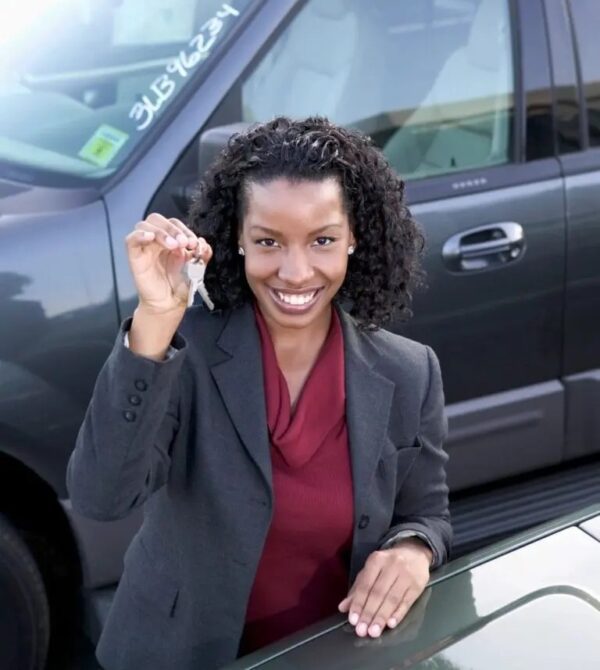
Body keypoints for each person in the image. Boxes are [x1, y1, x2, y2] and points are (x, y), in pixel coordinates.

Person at [66, 116, 452, 670]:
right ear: (237, 242)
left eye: (322, 240)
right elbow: (102, 498)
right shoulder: (185, 352)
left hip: (333, 655)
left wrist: (415, 549)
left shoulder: (410, 370)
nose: (295, 273)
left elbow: (428, 512)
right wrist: (156, 319)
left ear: (354, 239)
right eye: (268, 242)